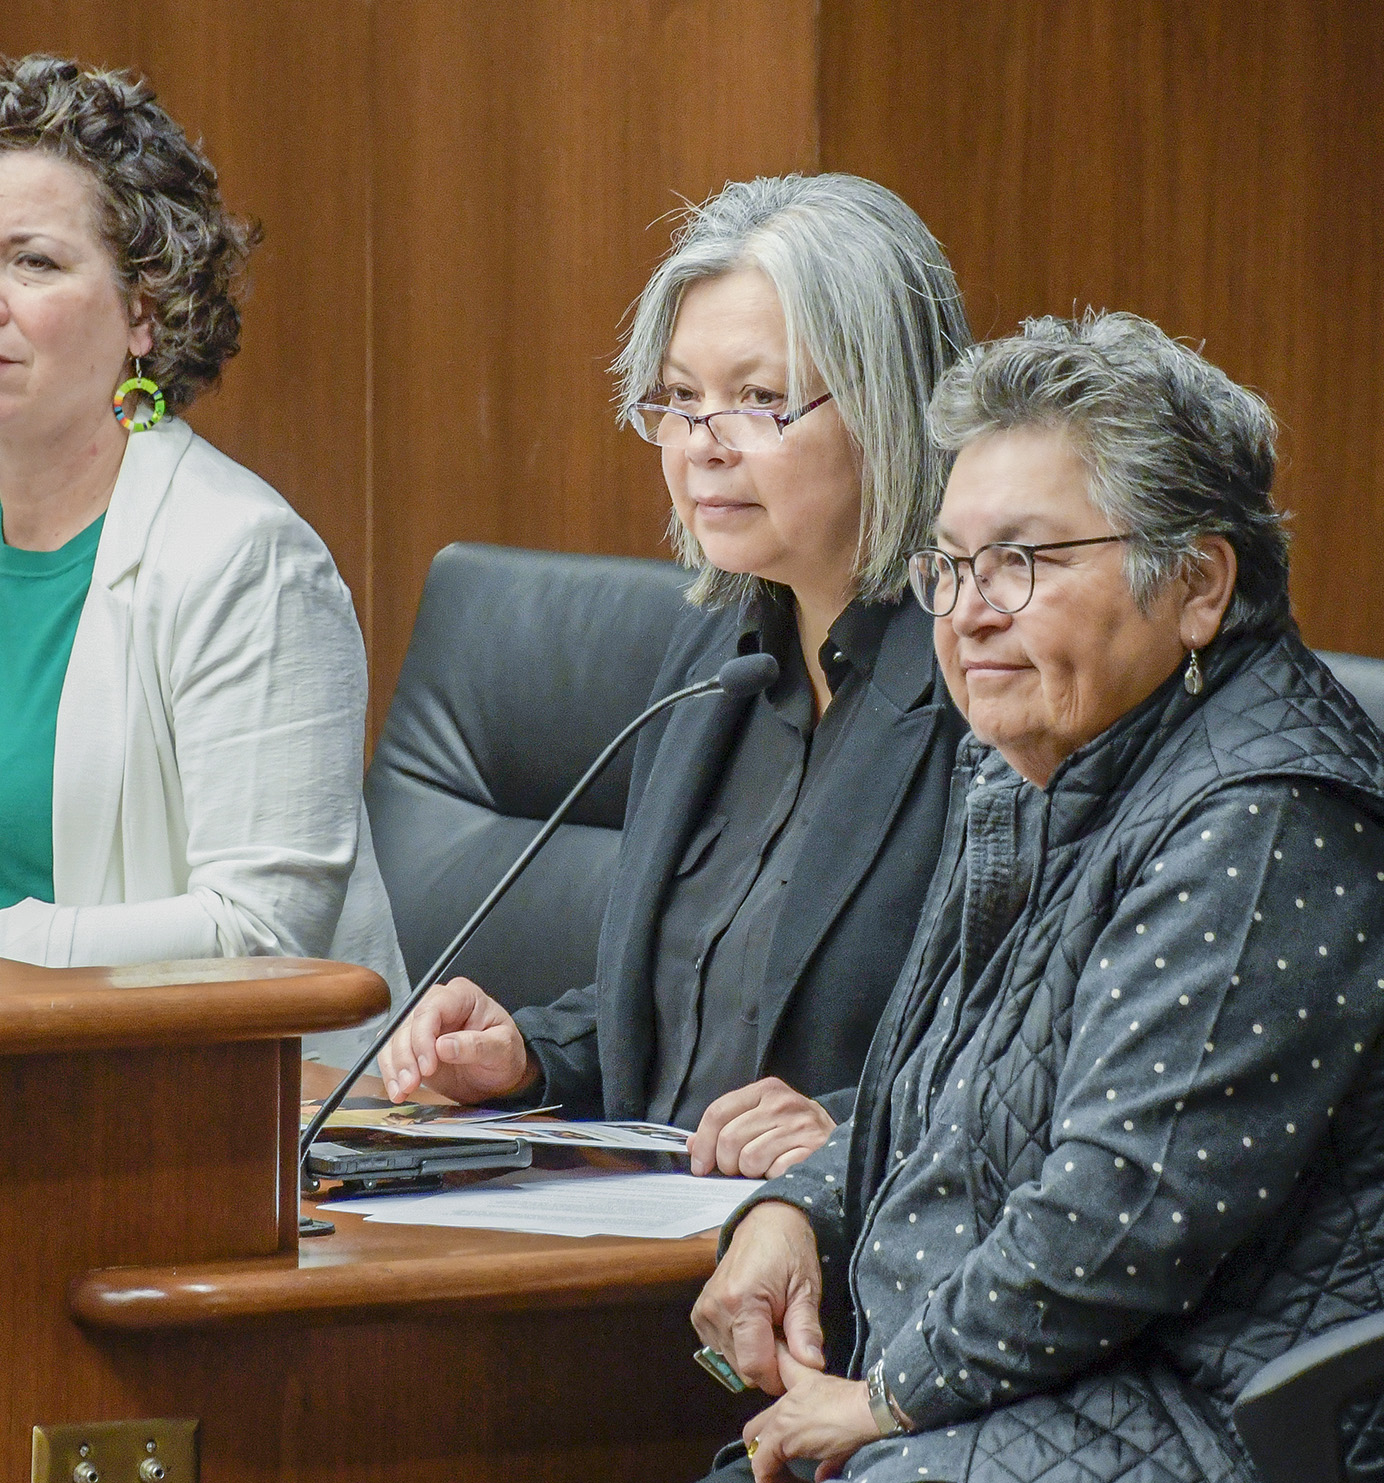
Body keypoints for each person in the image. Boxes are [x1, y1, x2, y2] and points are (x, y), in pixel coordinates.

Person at [682, 311, 1384, 1483]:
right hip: (1047, 1401)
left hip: (1244, 1436)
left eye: (1023, 562)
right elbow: (954, 1091)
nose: (966, 611)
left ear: (1198, 585)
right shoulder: (1031, 767)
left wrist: (886, 1398)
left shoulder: (1275, 826)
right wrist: (795, 1208)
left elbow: (1118, 1215)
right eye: (946, 566)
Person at [380, 174, 972, 1179]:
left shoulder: (986, 682)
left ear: (893, 409)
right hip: (649, 1235)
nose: (704, 446)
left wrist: (852, 1136)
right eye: (680, 398)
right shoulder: (717, 658)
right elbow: (699, 1013)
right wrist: (532, 1056)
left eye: (758, 399)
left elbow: (1037, 1056)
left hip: (849, 1264)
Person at [0, 55, 406, 1040]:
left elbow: (265, 936)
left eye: (34, 261)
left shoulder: (244, 557)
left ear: (145, 307)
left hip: (207, 1113)